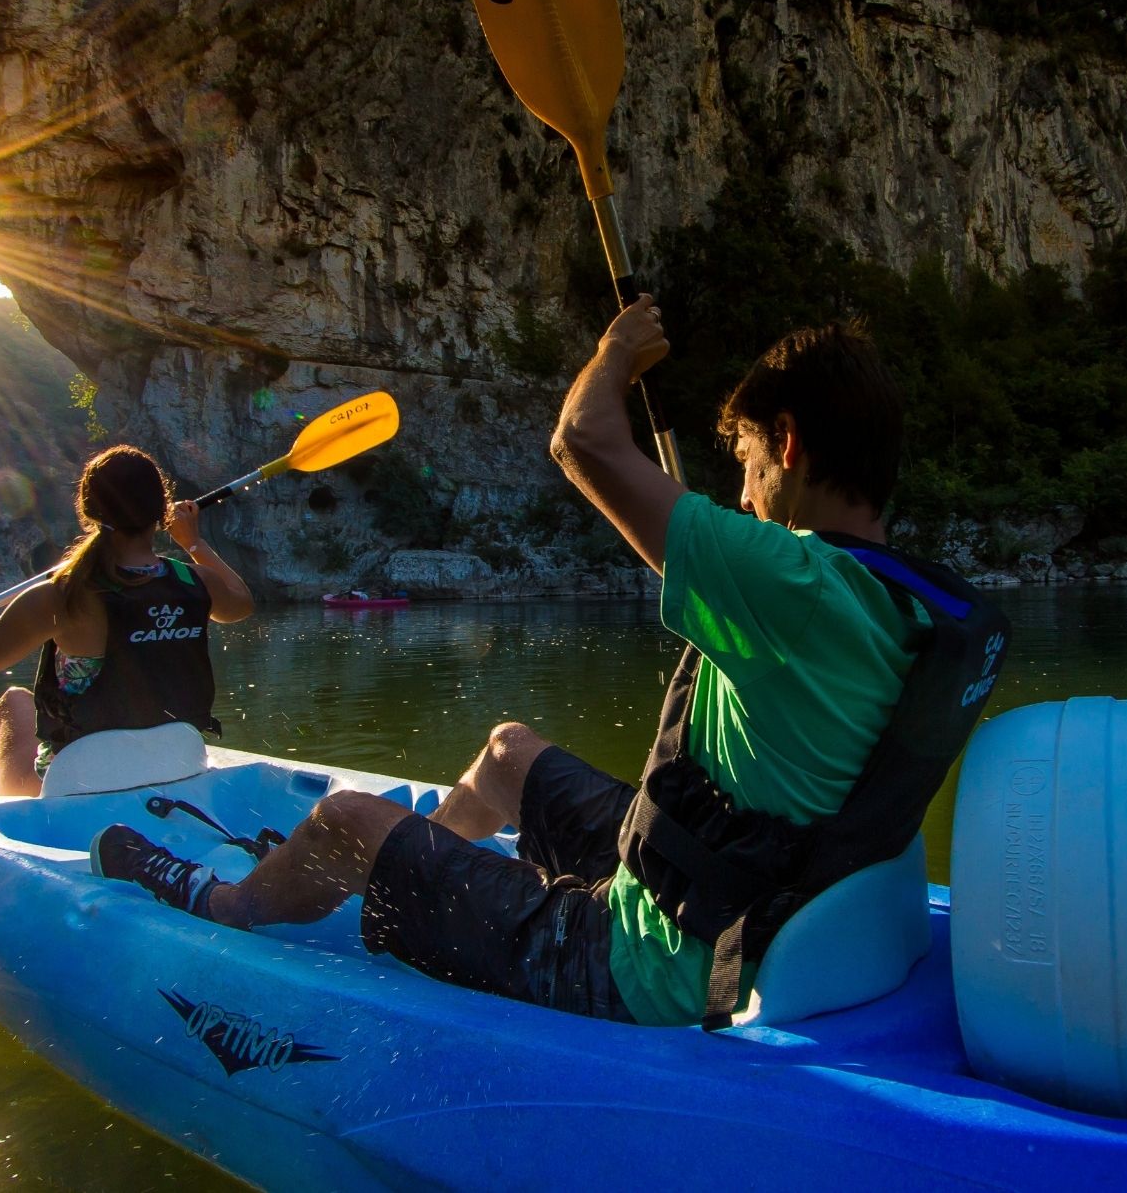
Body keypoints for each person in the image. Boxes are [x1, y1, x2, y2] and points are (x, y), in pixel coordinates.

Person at [92, 298, 998, 1025]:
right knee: (507, 752)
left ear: (790, 445)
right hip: (748, 888)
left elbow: (584, 441)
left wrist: (613, 350)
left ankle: (224, 905)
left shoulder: (791, 579)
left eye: (750, 462)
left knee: (343, 822)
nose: (744, 492)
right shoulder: (910, 601)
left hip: (658, 960)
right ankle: (413, 890)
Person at [0, 445, 253, 797]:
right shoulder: (195, 582)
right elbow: (240, 604)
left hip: (73, 789)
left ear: (88, 510)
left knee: (16, 702)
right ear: (162, 512)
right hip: (177, 768)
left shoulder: (62, 596)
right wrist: (193, 542)